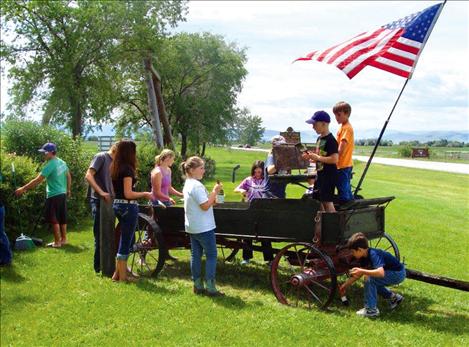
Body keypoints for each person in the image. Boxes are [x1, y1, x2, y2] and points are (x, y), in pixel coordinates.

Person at [110, 140, 152, 282]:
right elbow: (128, 193)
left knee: (123, 239)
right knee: (126, 241)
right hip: (128, 206)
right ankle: (123, 277)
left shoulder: (115, 167)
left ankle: (116, 274)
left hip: (117, 205)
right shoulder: (127, 170)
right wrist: (145, 194)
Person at [181, 156, 224, 296]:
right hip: (203, 227)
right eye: (201, 168)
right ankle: (210, 287)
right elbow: (205, 206)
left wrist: (213, 199)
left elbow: (205, 202)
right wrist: (214, 192)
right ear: (192, 170)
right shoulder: (196, 185)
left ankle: (197, 285)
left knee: (196, 254)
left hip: (193, 226)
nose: (204, 171)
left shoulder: (189, 183)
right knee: (211, 255)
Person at [15, 143, 71, 247]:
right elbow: (68, 176)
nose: (43, 155)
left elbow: (37, 180)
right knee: (62, 217)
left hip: (53, 194)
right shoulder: (62, 162)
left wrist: (23, 188)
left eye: (44, 153)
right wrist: (68, 190)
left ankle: (57, 242)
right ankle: (64, 240)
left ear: (50, 152)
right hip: (62, 194)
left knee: (54, 218)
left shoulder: (50, 164)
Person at [339, 232, 405, 318]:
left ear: (360, 250)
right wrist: (343, 286)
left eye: (353, 251)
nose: (352, 254)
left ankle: (371, 310)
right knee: (372, 280)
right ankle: (394, 298)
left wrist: (362, 271)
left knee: (370, 278)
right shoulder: (363, 257)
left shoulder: (374, 253)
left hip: (397, 274)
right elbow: (357, 275)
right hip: (394, 272)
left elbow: (380, 273)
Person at [85, 144, 116, 274]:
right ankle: (99, 267)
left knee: (109, 232)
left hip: (110, 202)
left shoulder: (115, 161)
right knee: (100, 234)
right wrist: (101, 192)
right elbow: (88, 175)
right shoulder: (101, 157)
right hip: (98, 201)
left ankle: (109, 264)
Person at [234, 160, 271, 265]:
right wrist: (241, 191)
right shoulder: (248, 180)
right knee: (247, 234)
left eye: (260, 172)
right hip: (250, 209)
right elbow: (236, 188)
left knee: (265, 235)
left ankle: (269, 259)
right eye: (256, 171)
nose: (257, 174)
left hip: (264, 210)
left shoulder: (267, 181)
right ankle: (246, 258)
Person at [302, 111, 338, 212]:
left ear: (324, 124)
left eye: (315, 124)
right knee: (318, 201)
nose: (313, 127)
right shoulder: (319, 139)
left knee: (327, 202)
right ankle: (322, 224)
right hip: (320, 174)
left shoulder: (331, 140)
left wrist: (317, 158)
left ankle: (333, 226)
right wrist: (311, 157)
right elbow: (320, 156)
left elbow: (334, 159)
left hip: (328, 175)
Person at [333, 101, 354, 203]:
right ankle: (351, 207)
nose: (336, 117)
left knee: (343, 191)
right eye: (335, 115)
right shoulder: (342, 127)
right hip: (342, 164)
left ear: (346, 113)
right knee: (345, 189)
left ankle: (346, 211)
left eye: (339, 115)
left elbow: (341, 149)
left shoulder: (347, 128)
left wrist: (332, 158)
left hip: (343, 165)